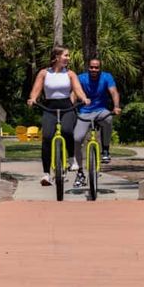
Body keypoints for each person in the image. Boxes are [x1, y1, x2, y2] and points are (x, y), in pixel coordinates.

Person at [27, 47, 90, 186]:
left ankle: (71, 158)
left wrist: (84, 98)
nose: (68, 58)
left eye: (68, 56)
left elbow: (78, 89)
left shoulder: (70, 74)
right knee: (47, 137)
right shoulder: (44, 73)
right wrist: (32, 99)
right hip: (49, 107)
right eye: (66, 55)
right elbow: (36, 89)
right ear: (56, 57)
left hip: (67, 107)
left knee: (67, 131)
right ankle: (46, 174)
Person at [72, 58, 121, 188]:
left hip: (100, 111)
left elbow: (114, 92)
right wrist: (71, 107)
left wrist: (116, 106)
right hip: (84, 112)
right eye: (92, 67)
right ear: (88, 67)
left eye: (96, 67)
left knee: (108, 119)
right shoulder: (81, 78)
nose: (94, 70)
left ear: (100, 68)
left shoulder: (107, 77)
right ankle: (80, 172)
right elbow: (74, 94)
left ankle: (105, 150)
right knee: (77, 139)